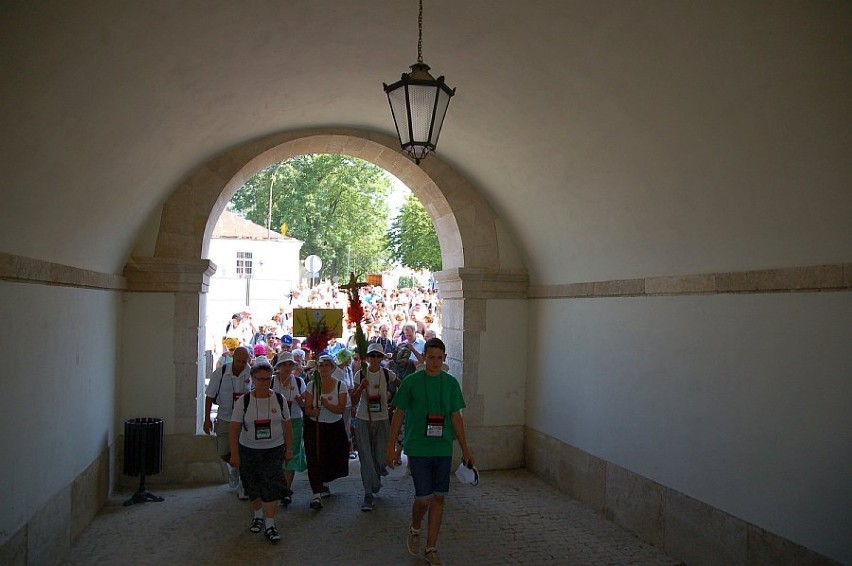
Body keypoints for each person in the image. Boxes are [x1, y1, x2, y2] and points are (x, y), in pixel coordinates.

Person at [387, 338, 474, 566]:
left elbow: (456, 416)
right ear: (423, 357)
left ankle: (431, 547)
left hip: (443, 446)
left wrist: (465, 448)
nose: (434, 362)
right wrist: (392, 447)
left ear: (444, 358)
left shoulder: (451, 383)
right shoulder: (411, 382)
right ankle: (415, 526)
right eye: (430, 357)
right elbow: (399, 413)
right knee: (423, 498)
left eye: (439, 358)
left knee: (439, 498)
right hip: (417, 447)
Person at [229, 357, 293, 544]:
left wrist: (289, 449)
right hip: (249, 449)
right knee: (253, 485)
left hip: (273, 449)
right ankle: (257, 515)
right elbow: (234, 429)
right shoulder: (244, 401)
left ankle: (270, 525)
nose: (264, 383)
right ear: (253, 380)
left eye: (267, 379)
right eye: (260, 379)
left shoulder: (279, 400)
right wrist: (234, 454)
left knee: (271, 486)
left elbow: (287, 426)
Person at [351, 343, 399, 511]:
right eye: (372, 356)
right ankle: (368, 492)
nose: (375, 359)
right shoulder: (360, 374)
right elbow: (354, 400)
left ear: (382, 358)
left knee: (380, 455)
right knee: (365, 456)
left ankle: (377, 476)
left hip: (382, 418)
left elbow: (402, 386)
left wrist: (395, 401)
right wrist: (361, 388)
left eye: (378, 356)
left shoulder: (387, 374)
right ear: (367, 358)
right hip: (363, 418)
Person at [203, 345, 253, 499]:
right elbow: (210, 396)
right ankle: (235, 469)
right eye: (238, 361)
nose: (240, 364)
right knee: (223, 451)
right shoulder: (221, 372)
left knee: (244, 451)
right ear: (233, 358)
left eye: (244, 361)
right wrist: (206, 419)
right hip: (225, 417)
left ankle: (243, 484)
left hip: (244, 419)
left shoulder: (251, 372)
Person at [302, 354, 350, 510]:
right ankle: (316, 493)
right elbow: (307, 408)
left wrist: (325, 404)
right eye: (320, 365)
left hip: (334, 426)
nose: (323, 368)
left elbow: (341, 409)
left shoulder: (340, 385)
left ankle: (325, 482)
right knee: (314, 456)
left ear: (332, 367)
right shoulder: (311, 386)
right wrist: (311, 412)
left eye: (326, 365)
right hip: (315, 426)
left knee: (331, 456)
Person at [272, 351, 307, 506]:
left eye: (289, 364)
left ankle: (286, 490)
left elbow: (305, 404)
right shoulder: (272, 382)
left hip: (294, 421)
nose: (287, 367)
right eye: (284, 364)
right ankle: (278, 486)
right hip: (275, 422)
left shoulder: (299, 382)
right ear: (279, 366)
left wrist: (300, 400)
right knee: (275, 454)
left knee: (291, 454)